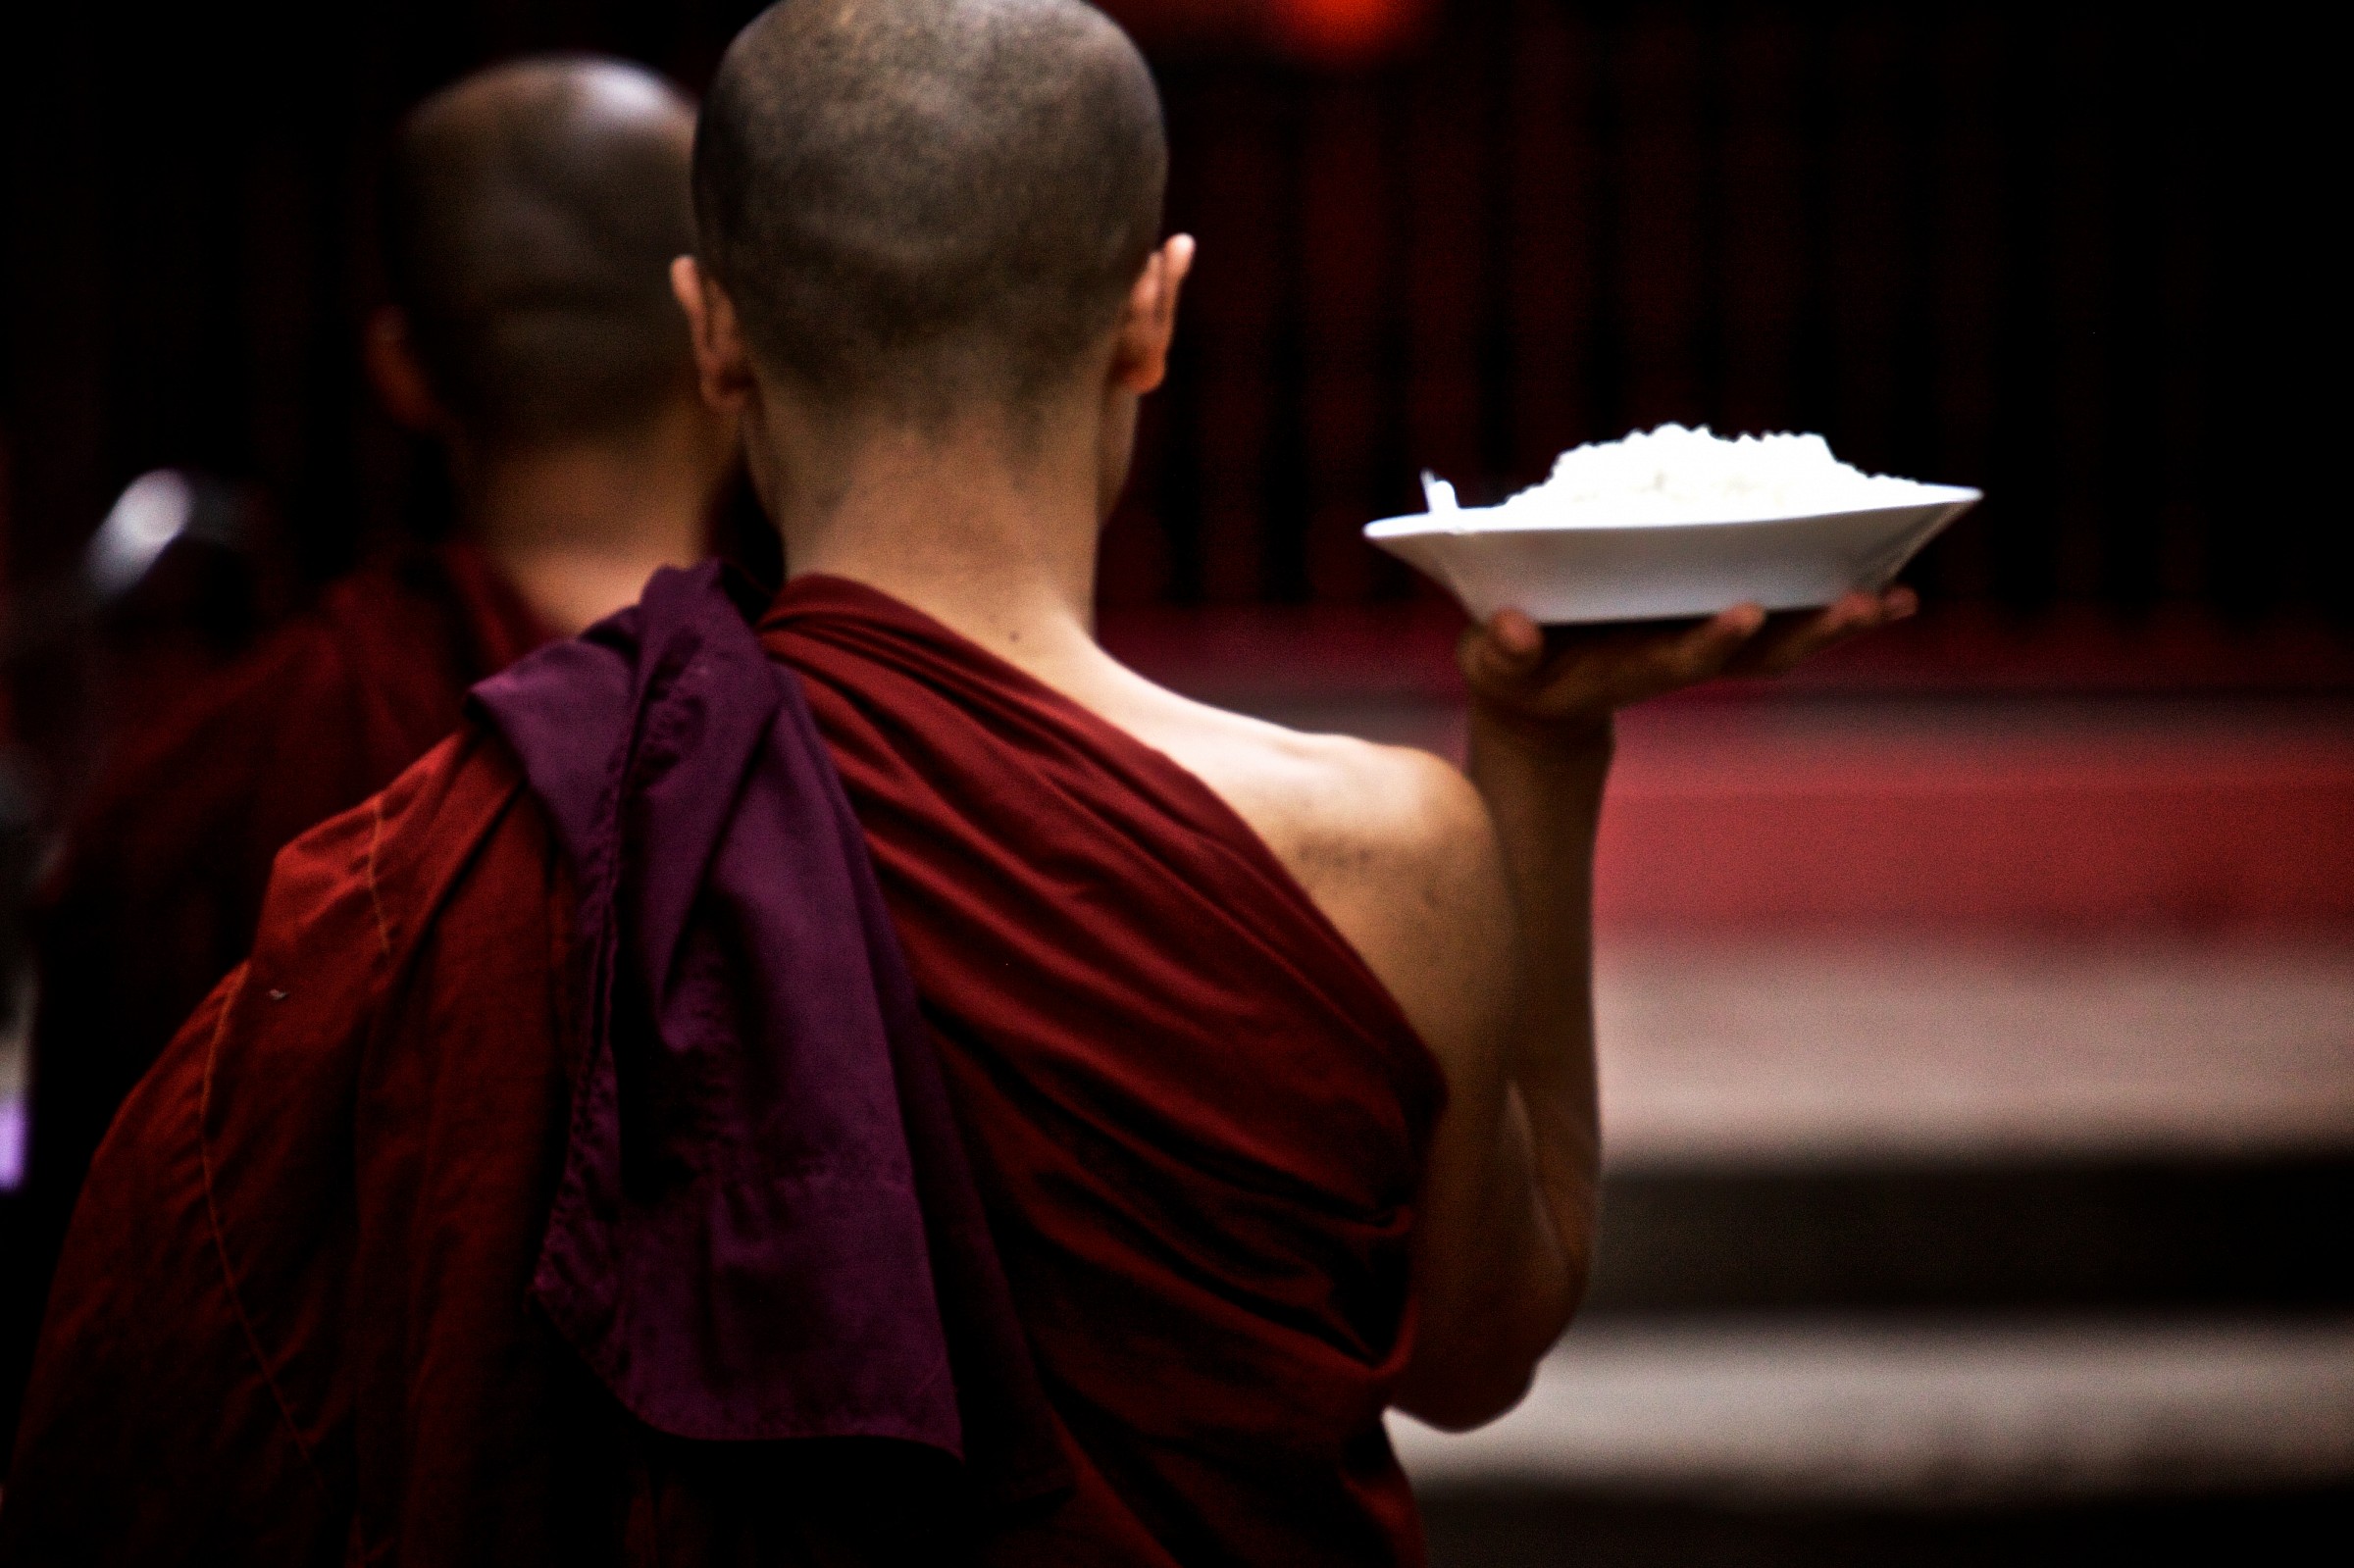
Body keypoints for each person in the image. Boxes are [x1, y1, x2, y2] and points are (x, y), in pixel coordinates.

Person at [1, 5, 1911, 1562]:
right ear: (1153, 311)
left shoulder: (465, 843)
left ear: (714, 331)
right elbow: (1484, 1347)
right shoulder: (1383, 849)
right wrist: (1541, 748)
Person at [1, 55, 734, 1457]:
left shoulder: (211, 786)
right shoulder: (853, 760)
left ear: (403, 369)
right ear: (725, 341)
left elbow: (89, 1332)